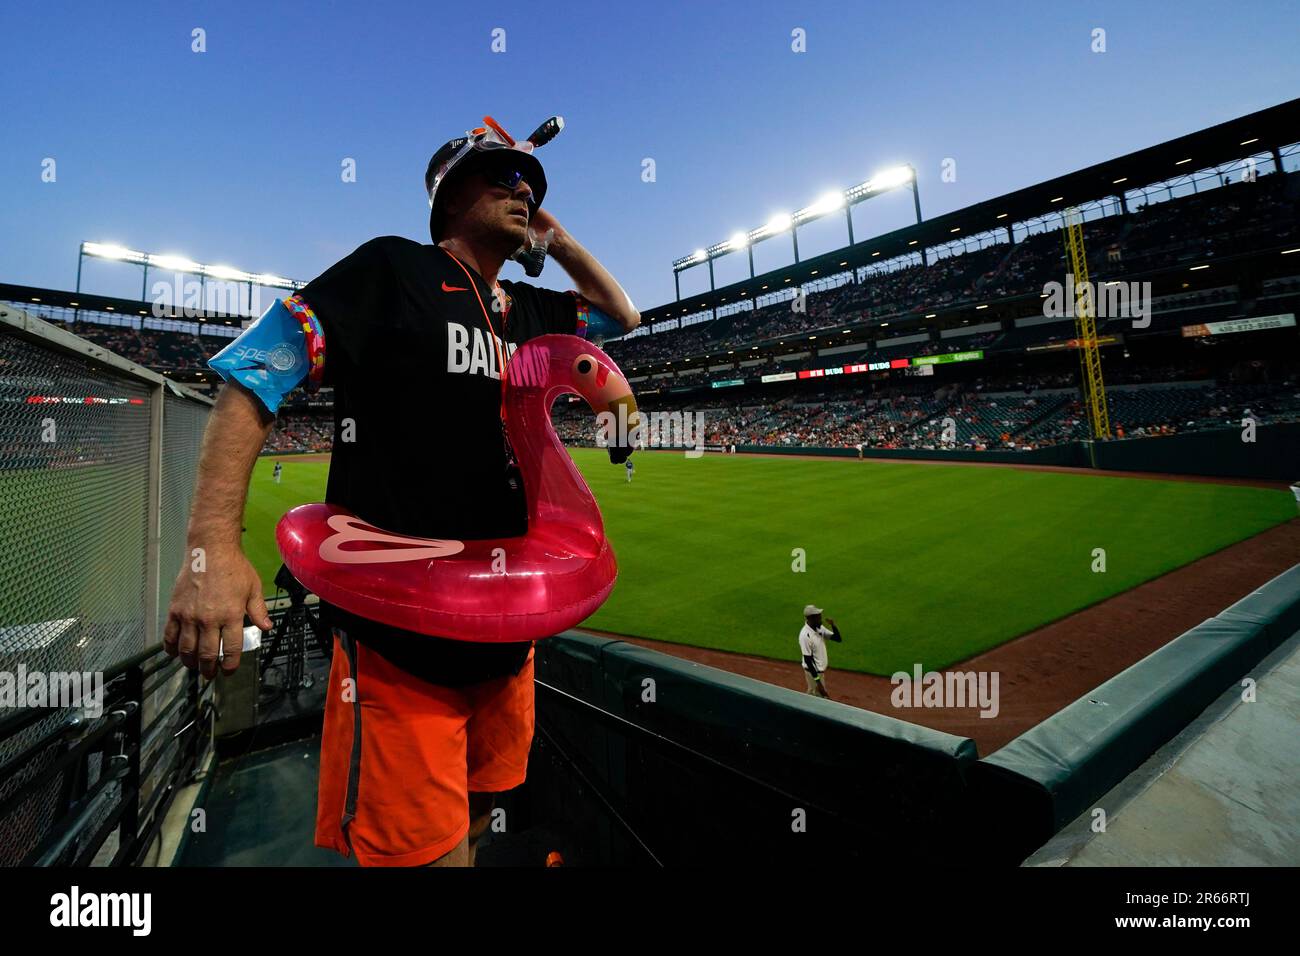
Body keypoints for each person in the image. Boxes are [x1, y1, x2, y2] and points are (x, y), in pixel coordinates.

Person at [163, 115, 640, 867]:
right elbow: (260, 365)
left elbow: (625, 314)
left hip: (506, 640)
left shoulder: (528, 309)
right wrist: (209, 548)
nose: (521, 190)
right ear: (451, 198)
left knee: (483, 824)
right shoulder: (393, 271)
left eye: (530, 184)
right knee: (422, 857)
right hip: (402, 650)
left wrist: (558, 236)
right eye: (502, 178)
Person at [798, 604, 842, 699]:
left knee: (812, 696)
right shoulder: (805, 635)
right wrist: (818, 681)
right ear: (811, 618)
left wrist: (833, 625)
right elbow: (808, 660)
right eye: (818, 617)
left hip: (819, 672)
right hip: (813, 673)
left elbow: (837, 638)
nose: (821, 619)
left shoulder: (819, 628)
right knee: (820, 698)